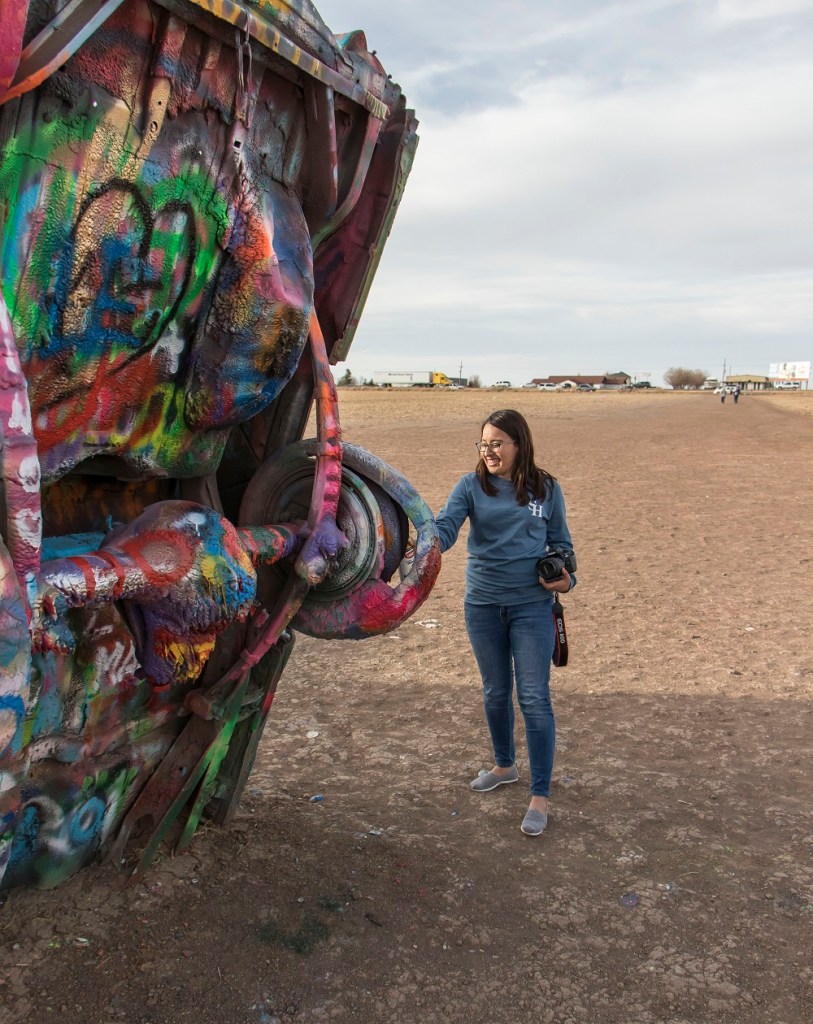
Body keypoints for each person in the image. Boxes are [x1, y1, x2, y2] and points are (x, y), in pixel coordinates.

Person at [435, 409, 576, 836]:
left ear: (519, 444)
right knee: (496, 691)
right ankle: (503, 765)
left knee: (533, 697)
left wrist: (567, 579)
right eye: (484, 443)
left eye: (498, 443)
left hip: (531, 606)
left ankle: (539, 795)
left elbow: (562, 544)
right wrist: (423, 547)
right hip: (482, 604)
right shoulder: (470, 486)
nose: (489, 451)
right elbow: (445, 528)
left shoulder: (545, 488)